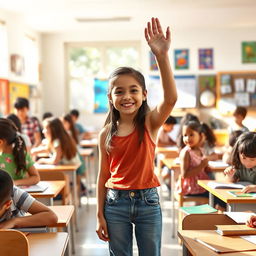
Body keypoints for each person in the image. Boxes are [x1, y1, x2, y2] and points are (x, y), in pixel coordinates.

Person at [96, 17, 177, 256]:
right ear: (110, 98)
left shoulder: (150, 123)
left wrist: (161, 56)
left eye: (133, 90)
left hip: (147, 202)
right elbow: (103, 176)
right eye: (119, 91)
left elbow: (171, 99)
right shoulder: (105, 133)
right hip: (115, 203)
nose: (127, 96)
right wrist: (99, 214)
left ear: (143, 94)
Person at [177, 121, 226, 209]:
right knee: (221, 199)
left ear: (200, 136)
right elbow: (185, 174)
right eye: (185, 135)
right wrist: (201, 166)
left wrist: (206, 168)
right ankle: (215, 218)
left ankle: (217, 217)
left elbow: (202, 169)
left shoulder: (200, 150)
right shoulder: (186, 153)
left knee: (222, 194)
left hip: (202, 185)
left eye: (191, 135)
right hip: (192, 188)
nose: (188, 138)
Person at [0, 118, 40, 186]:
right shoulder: (23, 154)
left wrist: (14, 183)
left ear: (0, 142)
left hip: (15, 195)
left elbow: (36, 177)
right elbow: (36, 177)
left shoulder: (22, 155)